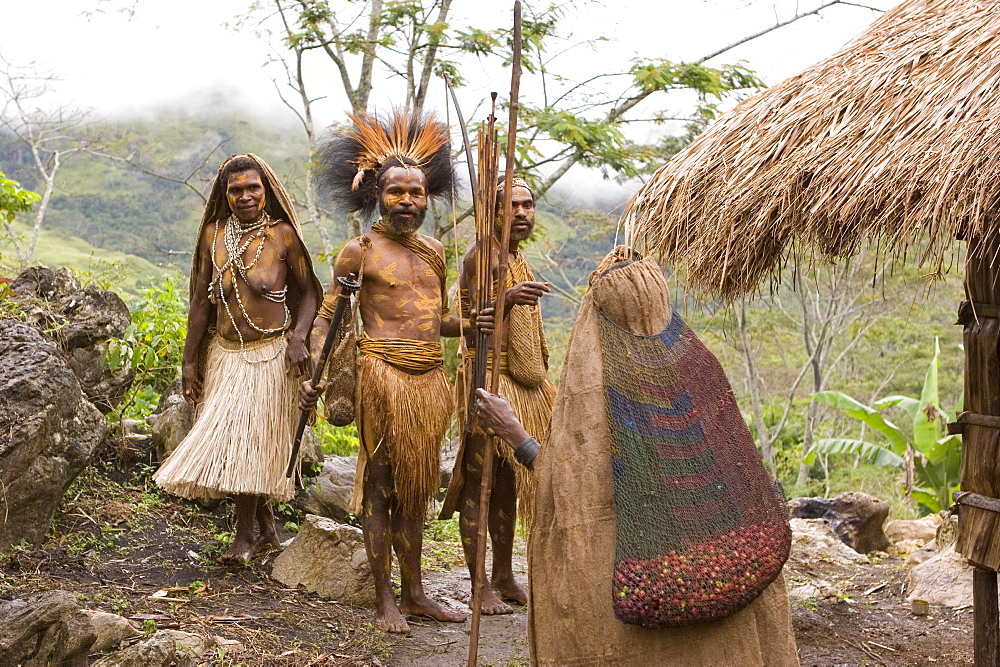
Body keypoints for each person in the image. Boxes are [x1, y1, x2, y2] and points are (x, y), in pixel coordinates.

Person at [473, 247, 800, 666]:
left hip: (646, 584)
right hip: (719, 571)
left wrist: (512, 432)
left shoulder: (596, 394)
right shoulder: (698, 367)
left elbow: (568, 484)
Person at [300, 110, 466, 633]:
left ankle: (415, 593)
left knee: (417, 486)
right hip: (381, 377)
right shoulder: (361, 251)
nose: (409, 202)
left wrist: (475, 320)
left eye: (417, 193)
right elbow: (329, 317)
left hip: (429, 381)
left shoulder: (436, 253)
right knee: (380, 484)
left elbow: (434, 321)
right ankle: (384, 599)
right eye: (398, 192)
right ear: (377, 192)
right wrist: (315, 368)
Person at [154, 154, 321, 565]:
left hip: (270, 358)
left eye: (253, 188)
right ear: (224, 194)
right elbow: (199, 302)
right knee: (237, 443)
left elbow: (312, 293)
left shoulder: (283, 237)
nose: (245, 196)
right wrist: (189, 363)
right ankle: (266, 528)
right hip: (225, 356)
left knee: (248, 445)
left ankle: (244, 537)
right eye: (236, 189)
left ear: (267, 191)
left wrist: (299, 338)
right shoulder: (214, 235)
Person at [439, 175, 555, 614]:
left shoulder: (512, 255)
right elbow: (477, 321)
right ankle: (479, 584)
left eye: (528, 205)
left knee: (507, 485)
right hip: (488, 377)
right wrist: (507, 297)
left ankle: (505, 575)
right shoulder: (483, 256)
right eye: (513, 206)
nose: (522, 213)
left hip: (522, 382)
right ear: (493, 212)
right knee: (479, 481)